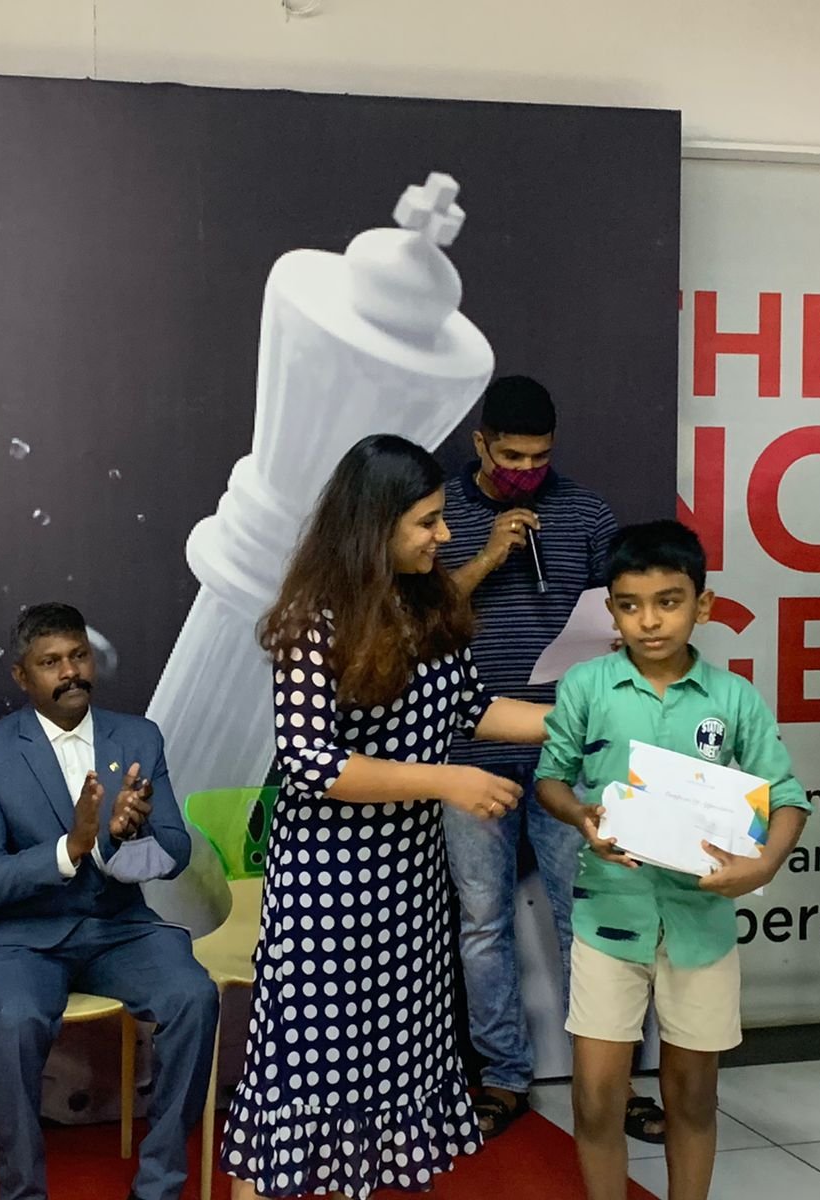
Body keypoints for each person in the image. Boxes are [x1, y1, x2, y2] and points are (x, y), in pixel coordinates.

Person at [222, 433, 551, 1200]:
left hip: (409, 898)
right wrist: (444, 781)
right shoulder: (312, 619)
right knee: (303, 1086)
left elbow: (472, 707)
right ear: (373, 527)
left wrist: (586, 718)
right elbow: (311, 761)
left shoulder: (428, 601)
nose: (445, 535)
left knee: (386, 1081)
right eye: (427, 522)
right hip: (330, 902)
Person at [534, 521, 809, 1200]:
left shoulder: (733, 697)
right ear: (611, 610)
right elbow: (550, 779)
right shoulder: (586, 686)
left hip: (700, 921)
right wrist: (580, 815)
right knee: (596, 1096)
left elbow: (787, 797)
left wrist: (764, 865)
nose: (650, 621)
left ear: (702, 605)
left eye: (668, 602)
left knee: (692, 1094)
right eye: (630, 605)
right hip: (608, 916)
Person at [436, 375, 659, 1141]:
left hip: (570, 743)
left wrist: (624, 630)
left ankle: (612, 1080)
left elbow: (621, 613)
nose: (528, 471)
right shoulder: (440, 514)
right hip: (470, 747)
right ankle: (502, 1075)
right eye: (512, 457)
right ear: (480, 444)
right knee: (481, 920)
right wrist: (485, 558)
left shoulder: (587, 513)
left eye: (541, 456)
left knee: (590, 914)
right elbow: (417, 624)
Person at [0, 602, 217, 1200]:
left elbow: (175, 849)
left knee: (194, 997)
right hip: (20, 939)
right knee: (15, 1023)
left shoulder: (139, 735)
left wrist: (126, 836)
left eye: (78, 656)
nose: (70, 672)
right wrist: (71, 848)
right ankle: (23, 1193)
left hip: (119, 928)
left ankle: (160, 1186)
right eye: (50, 662)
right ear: (21, 676)